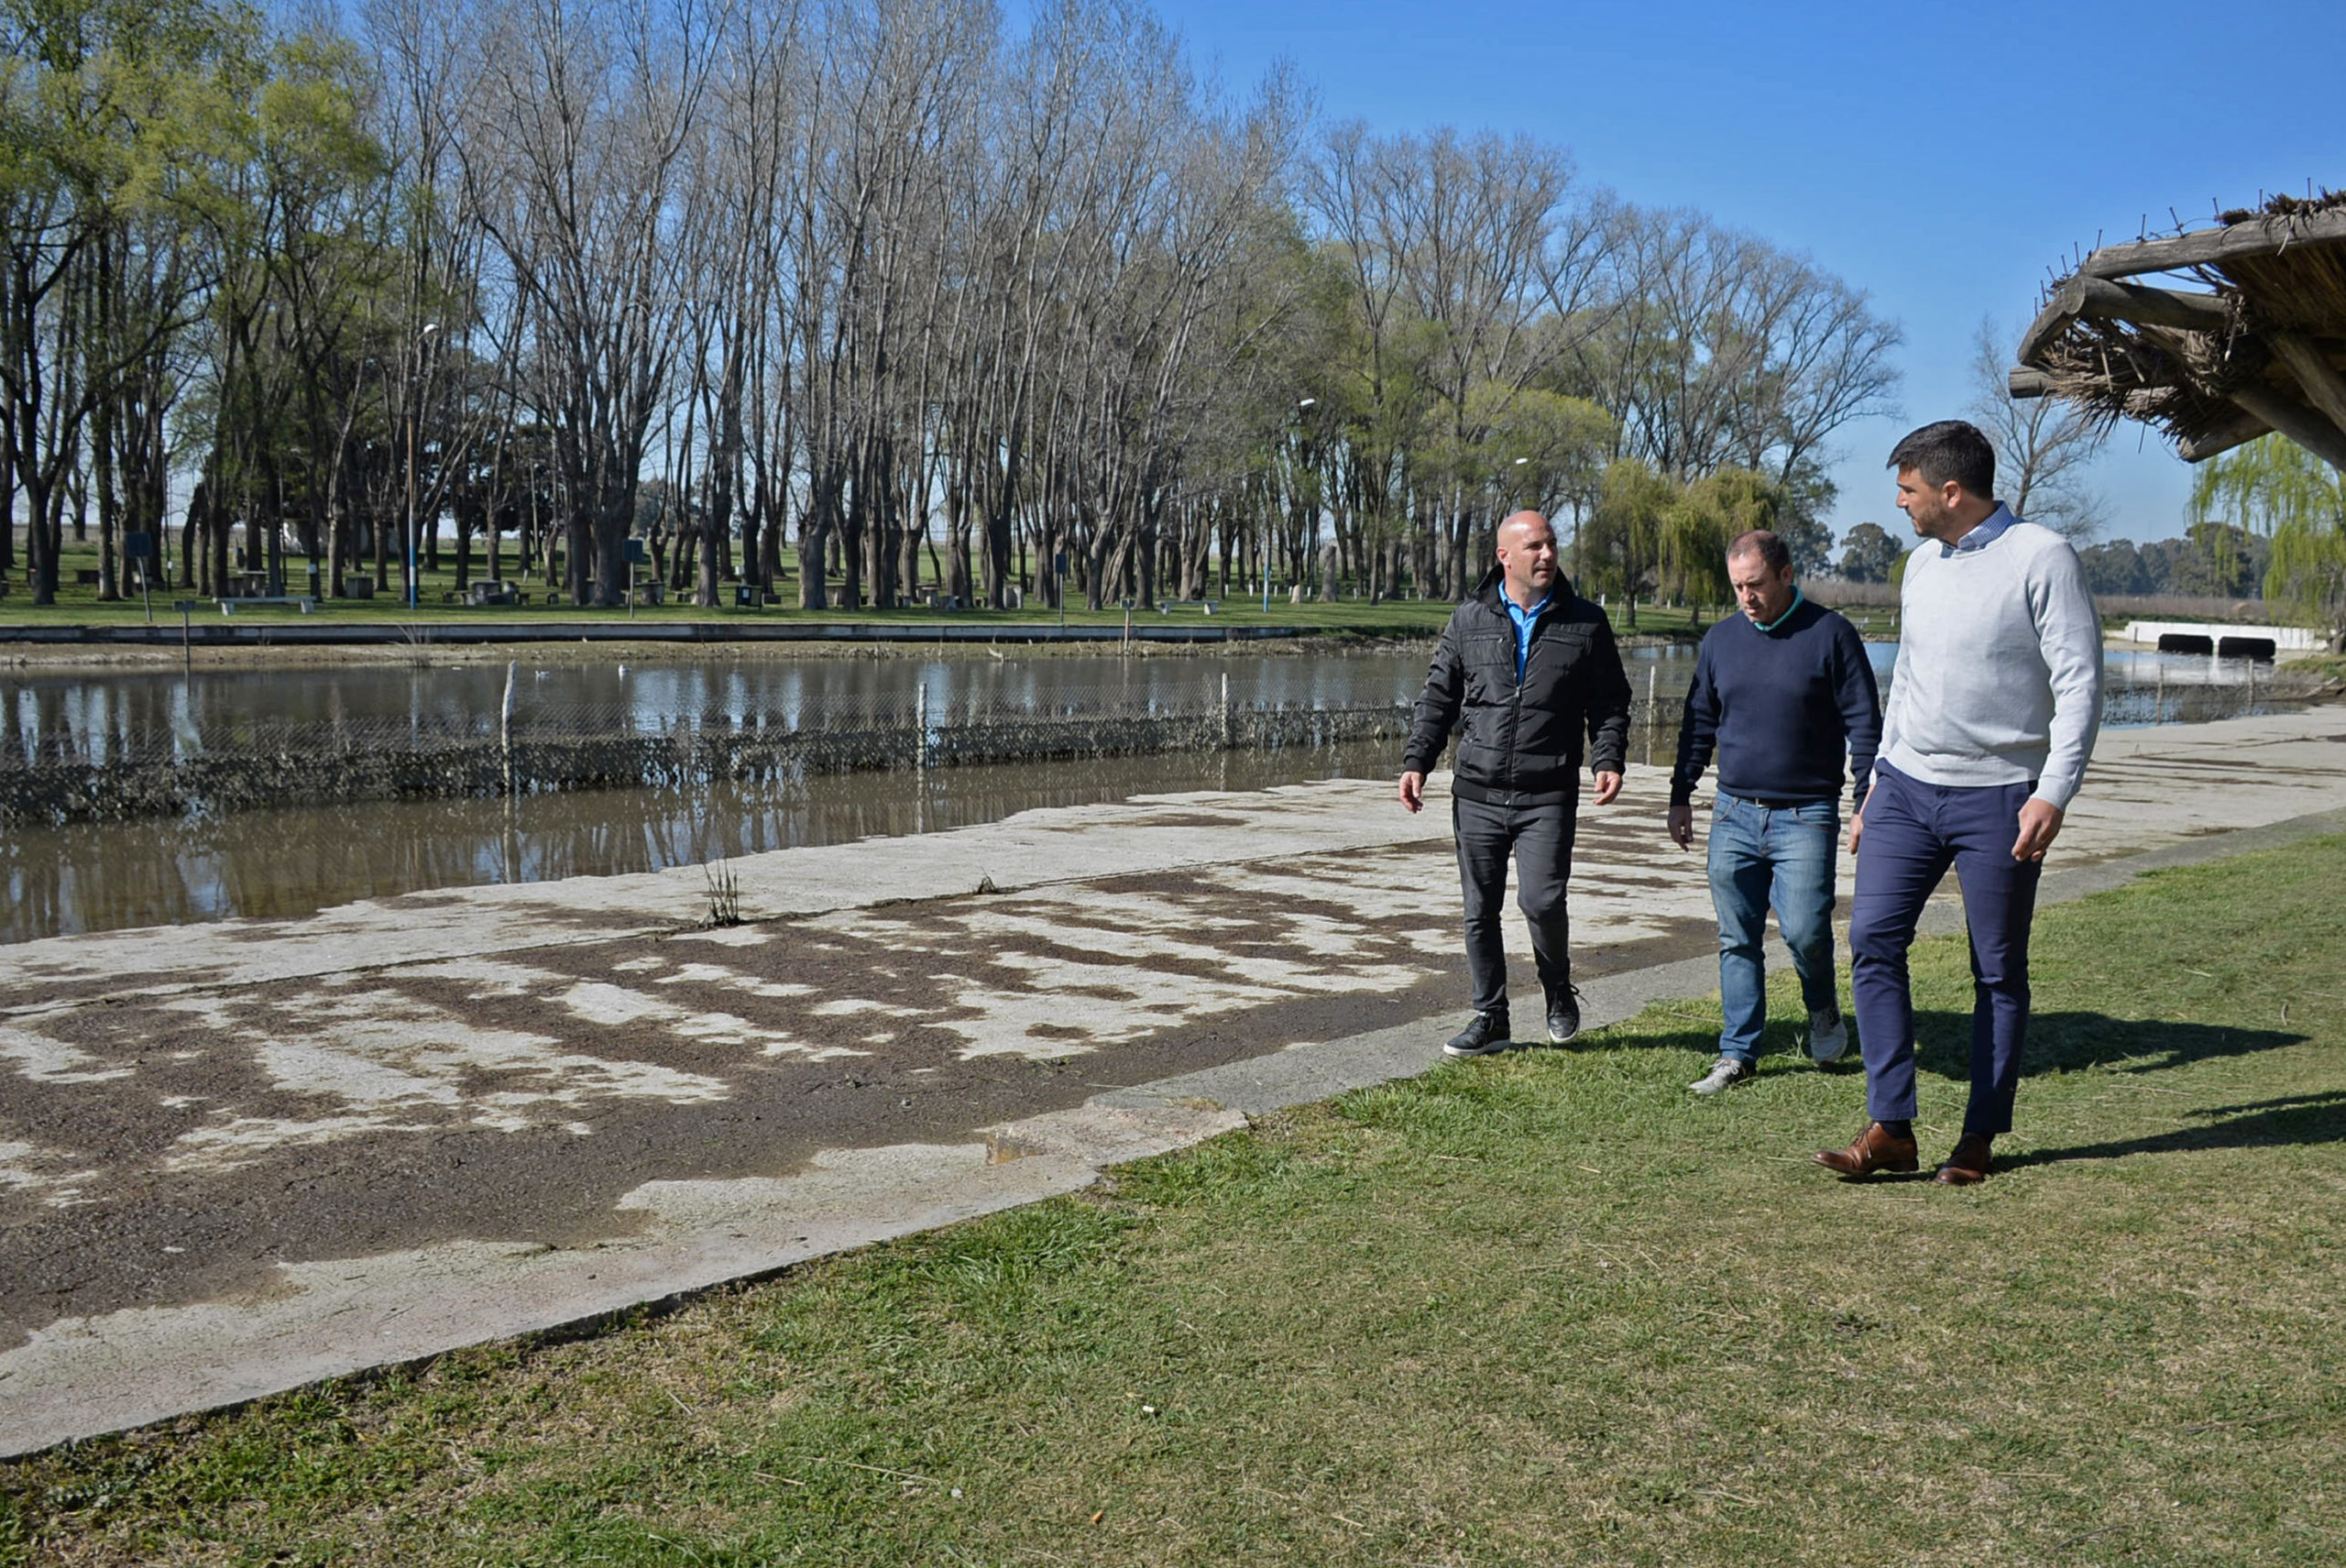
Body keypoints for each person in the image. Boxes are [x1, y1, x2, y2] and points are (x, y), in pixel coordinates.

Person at [1815, 421, 2102, 1184]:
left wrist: (2054, 790)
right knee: (1873, 938)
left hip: (2001, 797)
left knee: (1997, 969)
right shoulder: (1920, 564)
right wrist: (1874, 782)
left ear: (1950, 491)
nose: (1899, 501)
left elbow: (2079, 683)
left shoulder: (2042, 557)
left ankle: (1978, 1136)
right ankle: (1892, 1126)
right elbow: (1905, 680)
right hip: (1906, 787)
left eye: (1907, 488)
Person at [1399, 510, 1632, 1058]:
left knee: (1542, 900)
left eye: (1550, 545)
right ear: (1504, 556)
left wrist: (1608, 756)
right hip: (1476, 793)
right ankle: (1491, 1017)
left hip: (1547, 792)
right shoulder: (1468, 620)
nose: (1547, 555)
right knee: (1479, 909)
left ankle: (1557, 993)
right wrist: (1417, 761)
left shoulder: (1586, 623)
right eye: (1534, 547)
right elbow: (1438, 699)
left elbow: (1610, 703)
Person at [1668, 529, 1881, 1095]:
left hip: (1806, 815)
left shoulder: (1831, 634)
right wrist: (1680, 793)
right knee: (1737, 937)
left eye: (1756, 585)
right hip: (1733, 813)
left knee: (1807, 931)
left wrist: (1865, 799)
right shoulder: (1720, 641)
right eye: (1738, 587)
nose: (1747, 597)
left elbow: (1864, 723)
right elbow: (1699, 724)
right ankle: (1737, 1052)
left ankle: (1823, 1009)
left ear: (1788, 575)